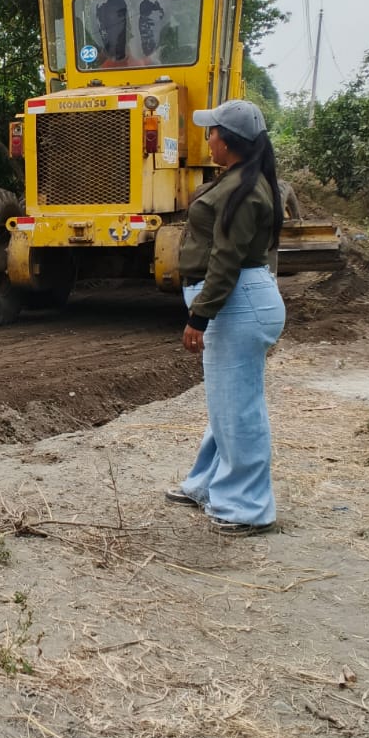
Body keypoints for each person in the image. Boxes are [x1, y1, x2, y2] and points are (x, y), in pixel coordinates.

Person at [166, 99, 286, 536]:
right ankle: (205, 486)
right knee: (226, 404)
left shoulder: (244, 190)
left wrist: (200, 315)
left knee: (239, 410)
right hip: (239, 302)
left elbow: (226, 261)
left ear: (229, 140)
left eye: (212, 132)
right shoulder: (239, 179)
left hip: (238, 303)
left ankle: (247, 507)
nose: (209, 139)